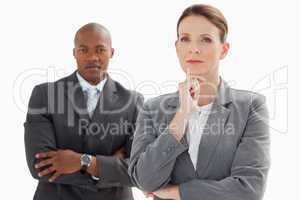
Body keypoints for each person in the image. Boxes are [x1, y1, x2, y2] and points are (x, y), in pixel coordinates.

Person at [129, 4, 270, 200]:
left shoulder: (251, 107)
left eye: (205, 39)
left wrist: (176, 192)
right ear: (177, 48)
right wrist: (180, 117)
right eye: (185, 39)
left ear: (224, 49)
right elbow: (144, 181)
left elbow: (249, 189)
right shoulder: (152, 109)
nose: (194, 49)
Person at [24, 23, 143, 200]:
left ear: (112, 52)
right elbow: (41, 167)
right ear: (74, 53)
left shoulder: (132, 101)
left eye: (100, 50)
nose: (92, 57)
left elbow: (139, 170)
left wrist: (83, 161)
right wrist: (109, 167)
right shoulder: (45, 95)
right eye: (83, 50)